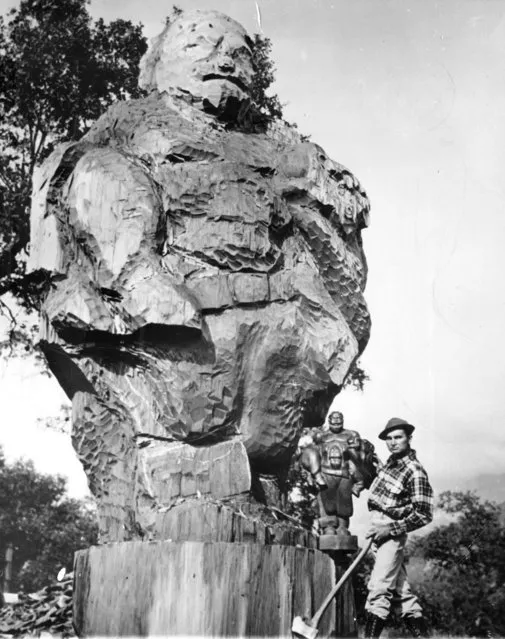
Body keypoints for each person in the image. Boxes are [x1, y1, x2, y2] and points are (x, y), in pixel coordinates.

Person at [364, 417, 433, 638]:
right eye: (389, 438)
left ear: (409, 438)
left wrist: (391, 530)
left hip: (389, 533)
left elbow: (424, 514)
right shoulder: (390, 465)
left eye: (398, 437)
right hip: (376, 528)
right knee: (402, 593)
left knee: (379, 588)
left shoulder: (415, 471)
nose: (393, 442)